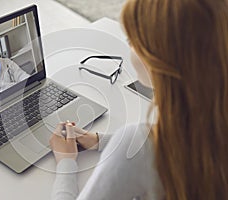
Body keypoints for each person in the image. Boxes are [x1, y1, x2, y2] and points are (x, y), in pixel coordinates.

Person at [50, 0, 228, 199]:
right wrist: (98, 141)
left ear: (159, 60)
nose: (129, 46)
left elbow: (145, 149)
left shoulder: (140, 146)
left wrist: (66, 162)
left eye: (134, 40)